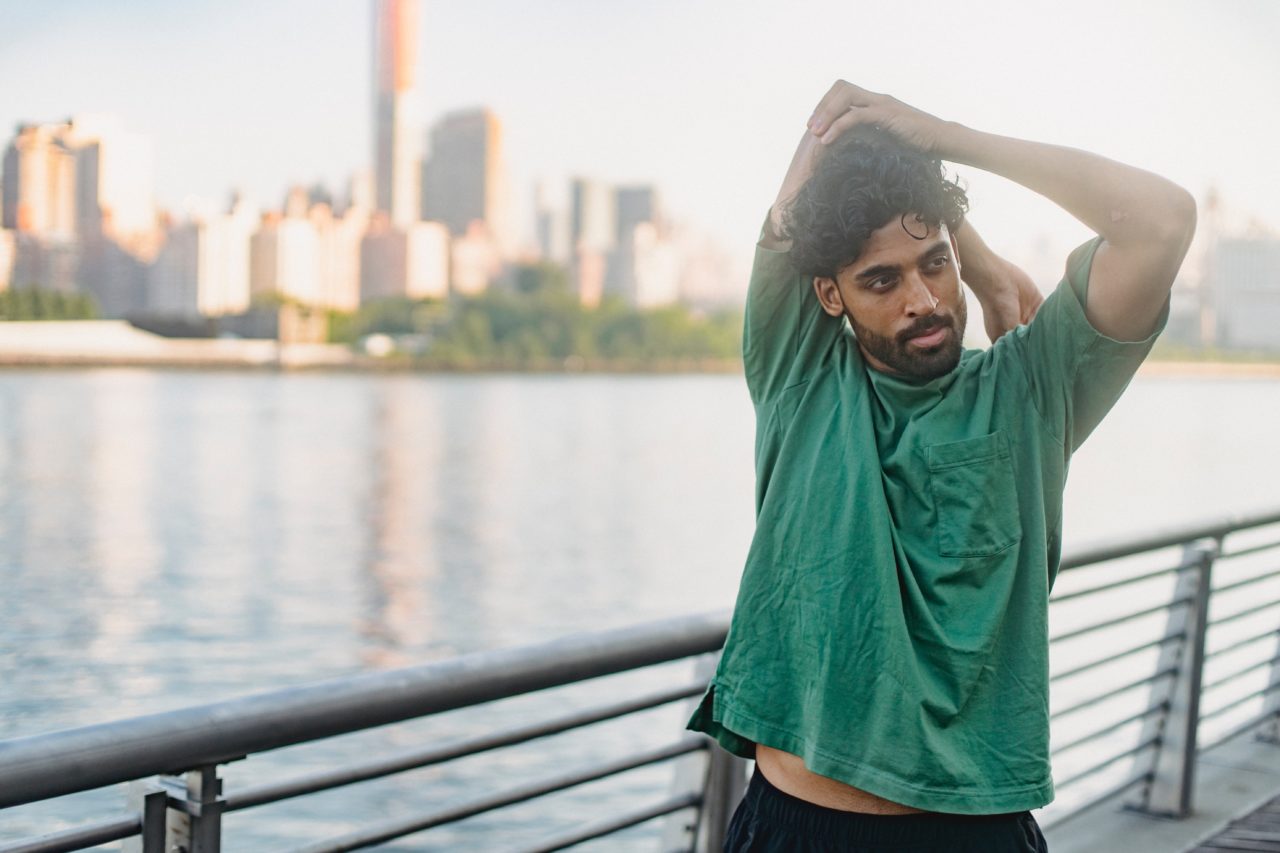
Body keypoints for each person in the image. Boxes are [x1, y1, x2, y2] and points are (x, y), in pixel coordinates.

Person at [685, 80, 1196, 852]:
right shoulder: (801, 376)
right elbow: (838, 121)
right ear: (829, 294)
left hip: (974, 834)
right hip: (793, 826)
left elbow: (1163, 222)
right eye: (881, 281)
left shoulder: (1032, 386)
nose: (923, 299)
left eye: (935, 264)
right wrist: (973, 252)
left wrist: (950, 143)